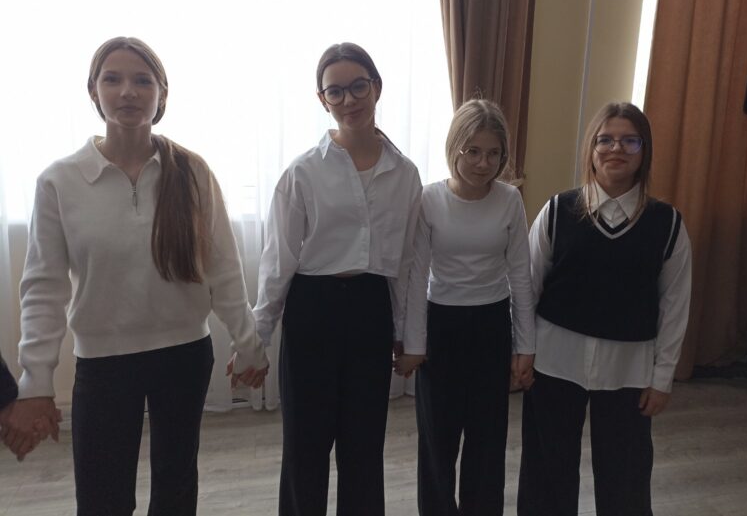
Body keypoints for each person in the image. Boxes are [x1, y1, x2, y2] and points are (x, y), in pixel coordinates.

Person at [8, 37, 268, 515]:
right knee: (102, 497)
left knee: (176, 488)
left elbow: (225, 271)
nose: (127, 91)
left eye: (142, 81)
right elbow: (43, 288)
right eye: (113, 79)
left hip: (184, 356)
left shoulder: (193, 171)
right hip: (103, 364)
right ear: (93, 91)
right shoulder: (60, 181)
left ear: (161, 94)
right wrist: (36, 380)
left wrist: (249, 345)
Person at [253, 42, 422, 516]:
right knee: (305, 445)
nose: (349, 100)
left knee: (363, 446)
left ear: (377, 88)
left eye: (358, 86)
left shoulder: (405, 174)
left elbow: (407, 264)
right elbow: (277, 262)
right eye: (336, 91)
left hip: (370, 309)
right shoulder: (303, 172)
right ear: (322, 99)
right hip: (313, 309)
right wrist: (255, 338)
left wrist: (410, 336)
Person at [517, 102, 692, 516]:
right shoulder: (557, 211)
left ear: (645, 151)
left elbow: (675, 305)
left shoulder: (667, 224)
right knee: (546, 471)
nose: (617, 149)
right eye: (606, 140)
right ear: (591, 150)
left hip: (628, 370)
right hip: (555, 363)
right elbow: (526, 287)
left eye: (630, 141)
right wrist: (523, 350)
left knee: (625, 476)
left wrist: (662, 378)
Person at [396, 98, 535, 516]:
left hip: (492, 325)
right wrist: (413, 344)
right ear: (454, 147)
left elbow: (521, 276)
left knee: (487, 440)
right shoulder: (429, 199)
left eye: (493, 153)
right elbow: (416, 276)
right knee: (437, 440)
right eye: (473, 151)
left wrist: (525, 347)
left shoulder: (510, 200)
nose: (483, 163)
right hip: (441, 326)